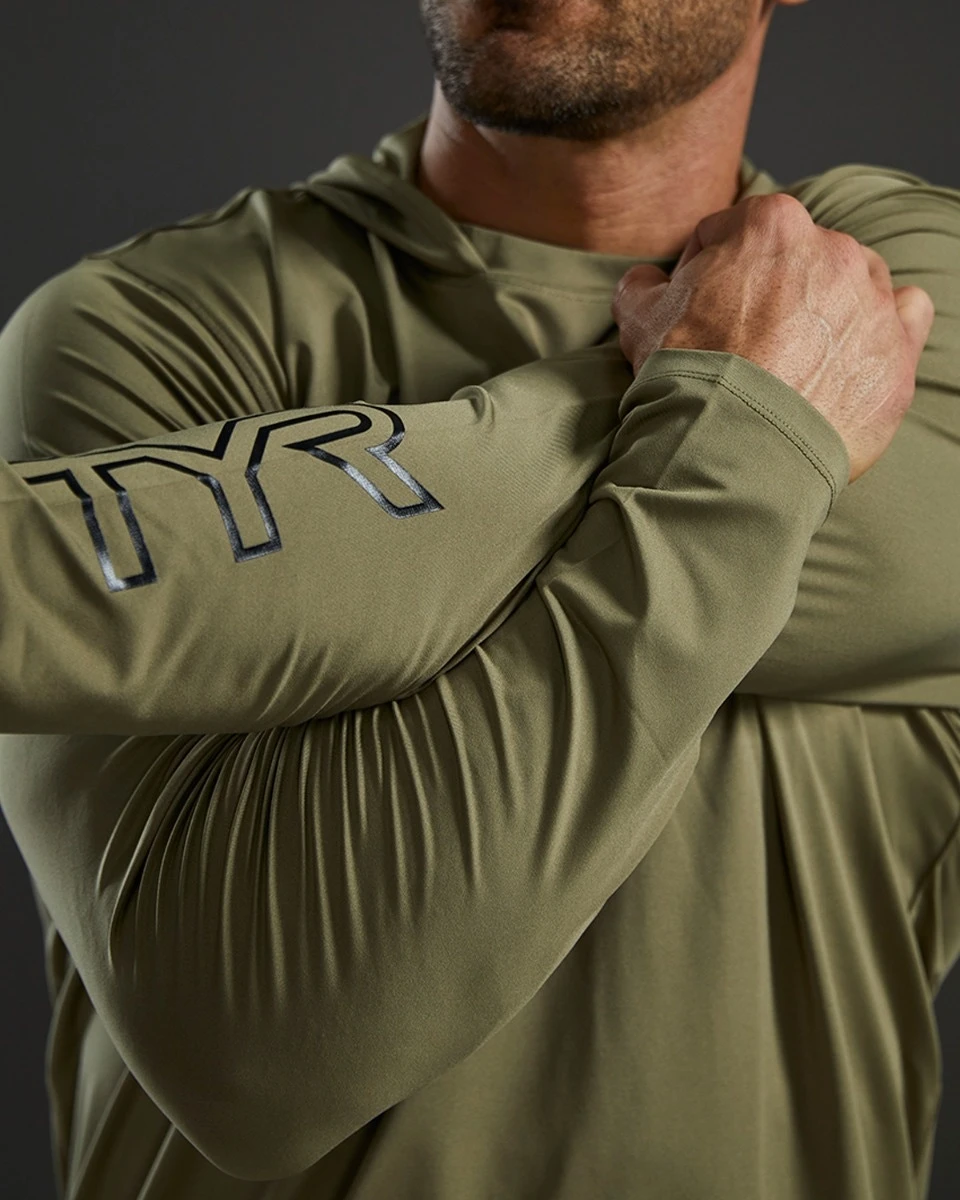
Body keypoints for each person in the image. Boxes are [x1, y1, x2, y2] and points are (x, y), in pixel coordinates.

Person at [0, 1, 957, 1197]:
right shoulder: (144, 335)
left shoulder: (912, 304)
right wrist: (757, 429)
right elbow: (258, 1059)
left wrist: (58, 561)